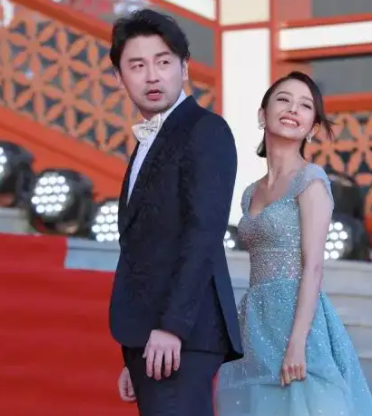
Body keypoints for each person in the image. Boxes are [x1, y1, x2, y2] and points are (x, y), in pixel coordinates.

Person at [215, 71, 372, 416]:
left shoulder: (311, 180)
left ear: (312, 127)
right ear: (262, 115)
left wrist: (297, 343)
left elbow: (314, 266)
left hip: (298, 319)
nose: (293, 109)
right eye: (283, 99)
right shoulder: (250, 193)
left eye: (305, 105)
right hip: (255, 319)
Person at [108, 9, 244, 416]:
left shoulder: (205, 129)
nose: (152, 76)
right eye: (137, 66)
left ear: (184, 68)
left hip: (183, 333)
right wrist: (134, 351)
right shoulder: (150, 139)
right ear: (119, 77)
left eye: (163, 62)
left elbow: (204, 233)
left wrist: (171, 328)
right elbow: (144, 246)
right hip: (152, 339)